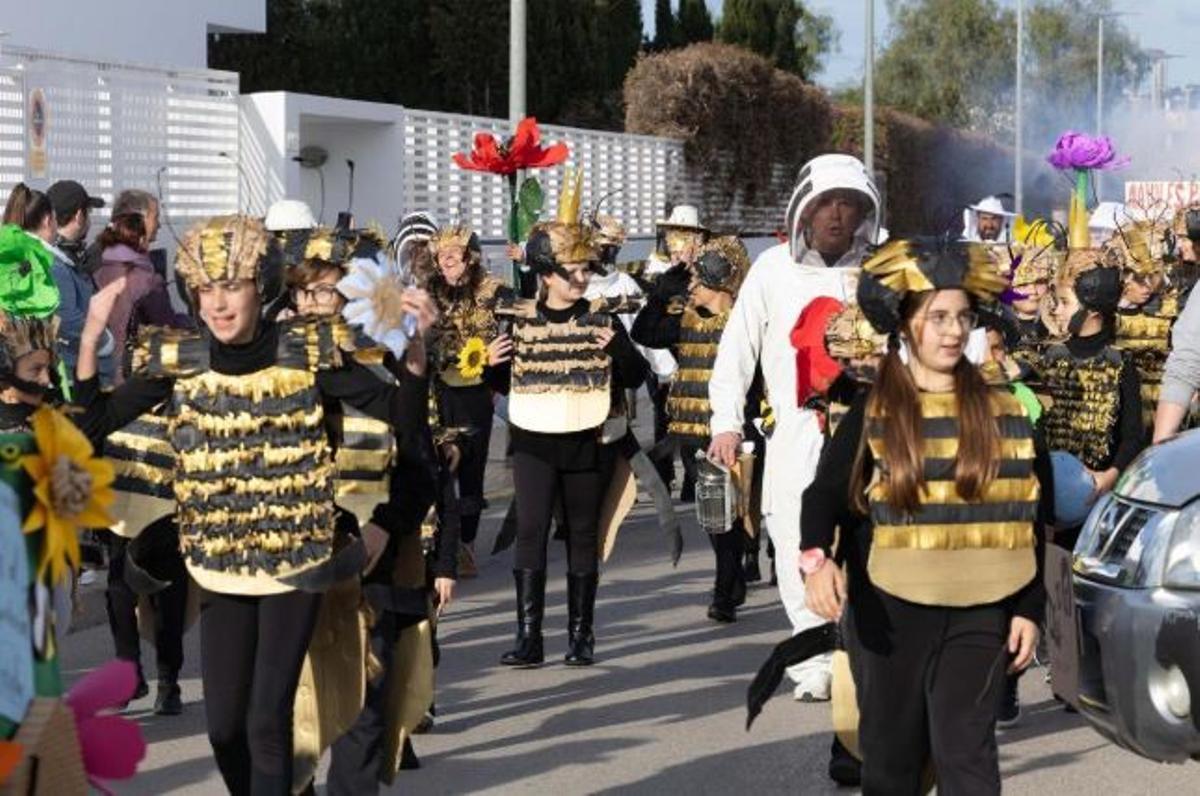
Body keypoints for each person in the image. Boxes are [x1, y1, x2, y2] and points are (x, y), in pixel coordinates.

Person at [72, 214, 429, 794]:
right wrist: (90, 337)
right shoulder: (178, 359)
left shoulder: (307, 351)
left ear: (259, 289)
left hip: (297, 559)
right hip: (217, 563)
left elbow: (400, 426)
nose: (217, 303)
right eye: (205, 290)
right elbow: (92, 424)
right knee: (224, 730)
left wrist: (415, 360)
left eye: (231, 287)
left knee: (267, 722)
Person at [802, 236, 1050, 795]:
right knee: (892, 764)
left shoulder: (1006, 409)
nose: (953, 330)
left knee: (969, 761)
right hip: (888, 614)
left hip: (982, 611)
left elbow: (1034, 517)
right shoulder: (874, 407)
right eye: (937, 316)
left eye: (962, 316)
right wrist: (816, 561)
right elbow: (822, 496)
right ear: (906, 324)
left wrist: (1029, 610)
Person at [708, 153, 881, 702]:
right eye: (827, 203)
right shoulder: (771, 270)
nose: (837, 214)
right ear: (804, 210)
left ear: (863, 213)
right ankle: (813, 664)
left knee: (866, 542)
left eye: (848, 204)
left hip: (870, 435)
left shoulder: (880, 273)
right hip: (797, 435)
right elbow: (737, 351)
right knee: (792, 541)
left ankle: (865, 652)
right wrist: (726, 424)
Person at [490, 179, 649, 668]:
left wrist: (618, 349)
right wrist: (490, 366)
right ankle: (529, 636)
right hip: (534, 439)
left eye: (585, 270)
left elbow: (635, 376)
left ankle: (582, 636)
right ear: (545, 274)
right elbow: (503, 384)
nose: (581, 279)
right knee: (533, 530)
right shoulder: (514, 318)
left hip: (587, 437)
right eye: (572, 271)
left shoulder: (604, 319)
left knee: (583, 534)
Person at [633, 236, 755, 621]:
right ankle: (729, 579)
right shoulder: (684, 318)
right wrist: (657, 296)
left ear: (719, 284)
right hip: (691, 425)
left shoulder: (745, 321)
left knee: (732, 512)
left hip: (733, 428)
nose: (691, 288)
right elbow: (644, 334)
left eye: (698, 281)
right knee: (712, 511)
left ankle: (725, 589)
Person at [418, 221, 510, 578]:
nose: (446, 262)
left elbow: (519, 313)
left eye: (453, 255)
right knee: (441, 466)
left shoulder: (493, 289)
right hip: (437, 391)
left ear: (470, 258)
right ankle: (439, 542)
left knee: (471, 467)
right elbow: (425, 345)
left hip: (475, 393)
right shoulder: (428, 291)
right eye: (441, 256)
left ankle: (466, 545)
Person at [1040, 249, 1143, 547]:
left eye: (1065, 303)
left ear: (1093, 311)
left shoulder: (1120, 363)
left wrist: (1107, 478)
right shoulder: (1048, 357)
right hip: (1048, 498)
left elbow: (1132, 436)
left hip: (1096, 498)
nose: (1056, 310)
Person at [1109, 221, 1177, 435]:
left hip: (1163, 411)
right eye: (1139, 279)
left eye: (1153, 277)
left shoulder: (1169, 308)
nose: (1148, 286)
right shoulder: (1106, 315)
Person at [45, 179, 112, 387]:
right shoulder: (55, 264)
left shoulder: (68, 257)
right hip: (73, 375)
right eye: (88, 213)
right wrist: (106, 341)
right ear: (79, 216)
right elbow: (68, 320)